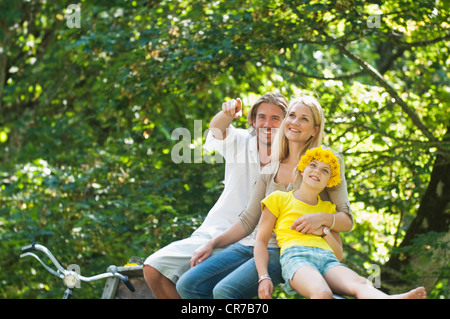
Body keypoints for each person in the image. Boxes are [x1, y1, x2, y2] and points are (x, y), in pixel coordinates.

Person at [176, 95, 353, 299]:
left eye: (304, 119)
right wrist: (213, 242)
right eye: (292, 116)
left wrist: (320, 219)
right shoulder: (271, 167)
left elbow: (346, 221)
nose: (295, 122)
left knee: (225, 291)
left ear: (315, 129)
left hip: (292, 248)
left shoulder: (324, 164)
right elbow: (248, 220)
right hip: (256, 244)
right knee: (189, 284)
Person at [143, 93, 288, 298]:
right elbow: (216, 130)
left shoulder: (291, 158)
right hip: (216, 232)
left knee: (210, 288)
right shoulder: (241, 141)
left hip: (257, 244)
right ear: (253, 121)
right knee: (153, 268)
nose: (267, 124)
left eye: (275, 118)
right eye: (262, 117)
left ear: (285, 123)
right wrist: (226, 113)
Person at [255, 146, 427, 299]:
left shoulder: (329, 210)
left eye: (325, 170)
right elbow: (261, 241)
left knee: (361, 283)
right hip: (297, 257)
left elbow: (337, 255)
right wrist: (264, 277)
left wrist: (324, 232)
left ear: (330, 181)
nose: (317, 171)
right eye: (313, 165)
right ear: (302, 169)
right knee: (322, 293)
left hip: (328, 260)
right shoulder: (278, 198)